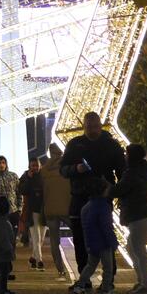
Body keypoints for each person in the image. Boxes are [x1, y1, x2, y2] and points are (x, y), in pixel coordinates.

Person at [59, 112, 125, 275]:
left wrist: (116, 191)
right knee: (80, 237)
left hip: (102, 197)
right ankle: (84, 275)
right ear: (84, 126)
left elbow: (122, 171)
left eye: (95, 126)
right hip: (80, 196)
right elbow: (63, 169)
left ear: (101, 125)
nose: (92, 130)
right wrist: (76, 169)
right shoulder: (75, 145)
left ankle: (109, 275)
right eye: (89, 127)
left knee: (105, 233)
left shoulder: (111, 145)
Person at [110, 144, 147, 294]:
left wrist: (107, 187)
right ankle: (142, 282)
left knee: (139, 250)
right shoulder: (145, 170)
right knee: (132, 248)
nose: (125, 156)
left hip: (139, 217)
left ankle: (146, 285)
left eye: (127, 154)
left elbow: (119, 189)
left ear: (131, 156)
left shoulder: (132, 173)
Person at [71, 177, 119, 294]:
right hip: (104, 242)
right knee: (108, 267)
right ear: (103, 190)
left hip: (92, 241)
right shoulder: (103, 206)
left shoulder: (86, 207)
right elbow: (106, 227)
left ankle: (80, 285)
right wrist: (113, 242)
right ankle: (107, 290)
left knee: (90, 265)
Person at [41, 144, 74, 281]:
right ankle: (86, 266)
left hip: (50, 210)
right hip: (67, 208)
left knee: (54, 242)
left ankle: (60, 271)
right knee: (79, 236)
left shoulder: (45, 170)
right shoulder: (67, 168)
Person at [18, 156, 47, 272]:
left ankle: (33, 258)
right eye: (32, 166)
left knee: (41, 238)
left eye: (36, 165)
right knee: (36, 236)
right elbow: (22, 190)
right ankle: (40, 261)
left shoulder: (44, 176)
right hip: (31, 210)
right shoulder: (25, 177)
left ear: (40, 166)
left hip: (44, 211)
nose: (35, 168)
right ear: (29, 167)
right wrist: (29, 179)